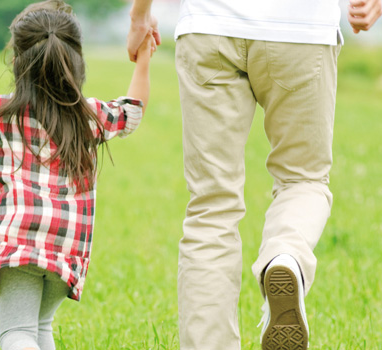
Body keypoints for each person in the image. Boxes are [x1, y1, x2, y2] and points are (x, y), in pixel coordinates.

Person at [0, 1, 154, 349]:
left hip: (21, 239)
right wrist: (144, 58)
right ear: (75, 61)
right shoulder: (89, 115)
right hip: (68, 245)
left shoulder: (2, 112)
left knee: (17, 334)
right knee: (40, 327)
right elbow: (132, 113)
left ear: (17, 61)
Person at [127, 0, 341, 349]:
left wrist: (140, 15)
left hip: (209, 25)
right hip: (301, 27)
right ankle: (284, 255)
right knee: (302, 179)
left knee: (212, 206)